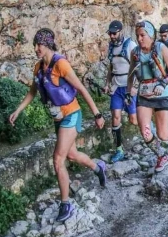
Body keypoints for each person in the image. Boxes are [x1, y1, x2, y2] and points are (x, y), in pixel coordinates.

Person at [9, 29, 107, 222]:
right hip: (58, 119)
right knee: (72, 154)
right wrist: (17, 110)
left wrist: (97, 113)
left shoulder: (60, 64)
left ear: (48, 44)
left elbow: (80, 88)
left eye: (39, 44)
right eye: (35, 45)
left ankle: (65, 204)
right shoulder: (38, 68)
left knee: (58, 159)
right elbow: (32, 92)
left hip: (71, 114)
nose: (36, 48)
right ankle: (98, 168)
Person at [127, 21, 168, 172]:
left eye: (142, 35)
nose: (139, 39)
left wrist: (163, 84)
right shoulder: (135, 53)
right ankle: (162, 156)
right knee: (145, 132)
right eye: (137, 35)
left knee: (162, 135)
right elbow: (131, 74)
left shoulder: (161, 48)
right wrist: (128, 91)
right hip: (144, 95)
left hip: (162, 94)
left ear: (150, 35)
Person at [103, 20, 138, 163]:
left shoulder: (131, 46)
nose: (111, 36)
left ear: (121, 32)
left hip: (129, 87)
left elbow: (138, 67)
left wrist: (135, 86)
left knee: (134, 120)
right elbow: (111, 68)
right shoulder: (111, 47)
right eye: (110, 33)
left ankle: (152, 132)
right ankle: (119, 149)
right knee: (115, 117)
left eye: (114, 33)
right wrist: (107, 83)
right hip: (117, 88)